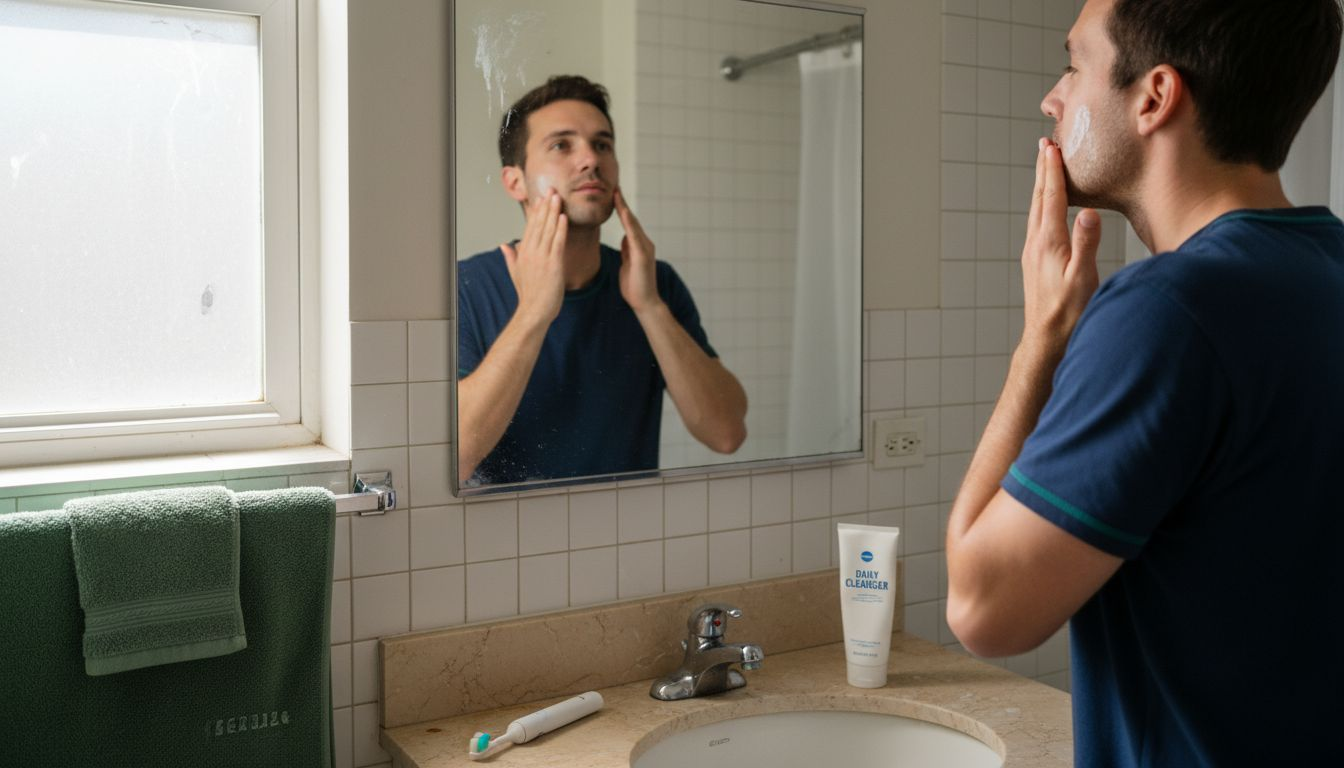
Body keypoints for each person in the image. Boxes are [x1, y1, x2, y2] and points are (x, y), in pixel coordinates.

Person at [944, 0, 1343, 765]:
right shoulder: (1325, 276)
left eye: (1074, 62)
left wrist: (1041, 340)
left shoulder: (1169, 309)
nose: (1051, 99)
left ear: (1155, 97)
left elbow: (982, 609)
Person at [457, 75, 747, 485]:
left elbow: (726, 433)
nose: (590, 160)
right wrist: (534, 313)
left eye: (602, 144)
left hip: (630, 536)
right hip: (506, 544)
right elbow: (455, 458)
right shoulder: (465, 287)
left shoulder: (655, 283)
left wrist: (650, 307)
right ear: (514, 181)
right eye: (562, 145)